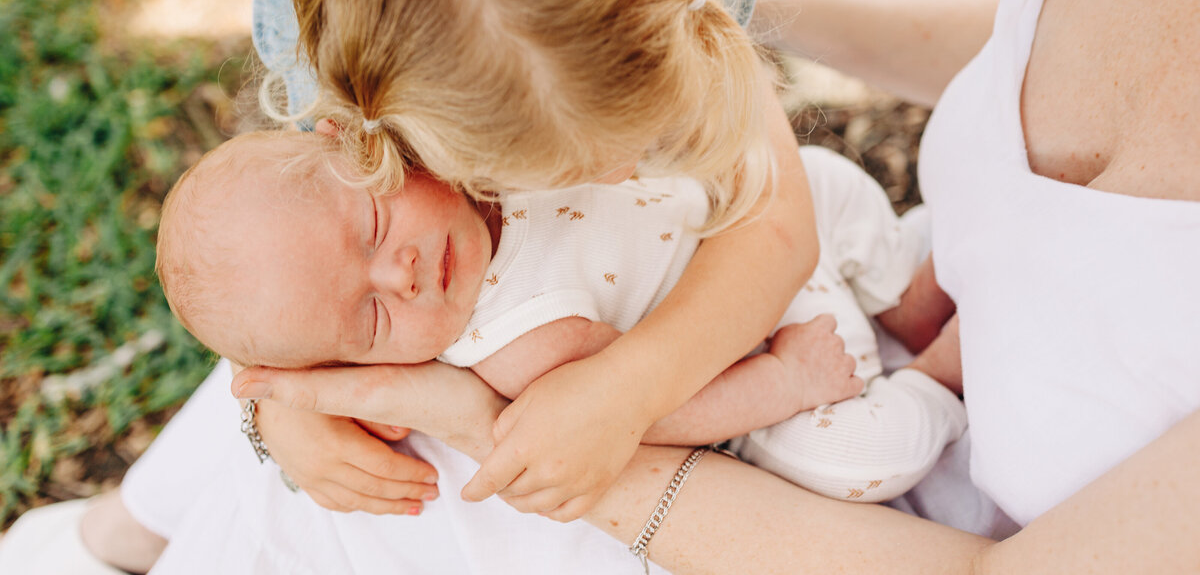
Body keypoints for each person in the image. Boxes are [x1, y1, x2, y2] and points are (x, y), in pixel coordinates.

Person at [227, 0, 1200, 571]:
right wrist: (280, 398)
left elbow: (772, 225)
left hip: (801, 483)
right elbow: (273, 247)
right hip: (616, 369)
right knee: (272, 425)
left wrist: (541, 408)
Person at [155, 128, 964, 501]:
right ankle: (937, 375)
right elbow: (653, 409)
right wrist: (783, 382)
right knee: (864, 459)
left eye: (372, 228)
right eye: (370, 321)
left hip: (758, 228)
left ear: (361, 143)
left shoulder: (466, 136)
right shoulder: (515, 342)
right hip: (769, 349)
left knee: (825, 178)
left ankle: (914, 302)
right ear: (364, 371)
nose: (398, 275)